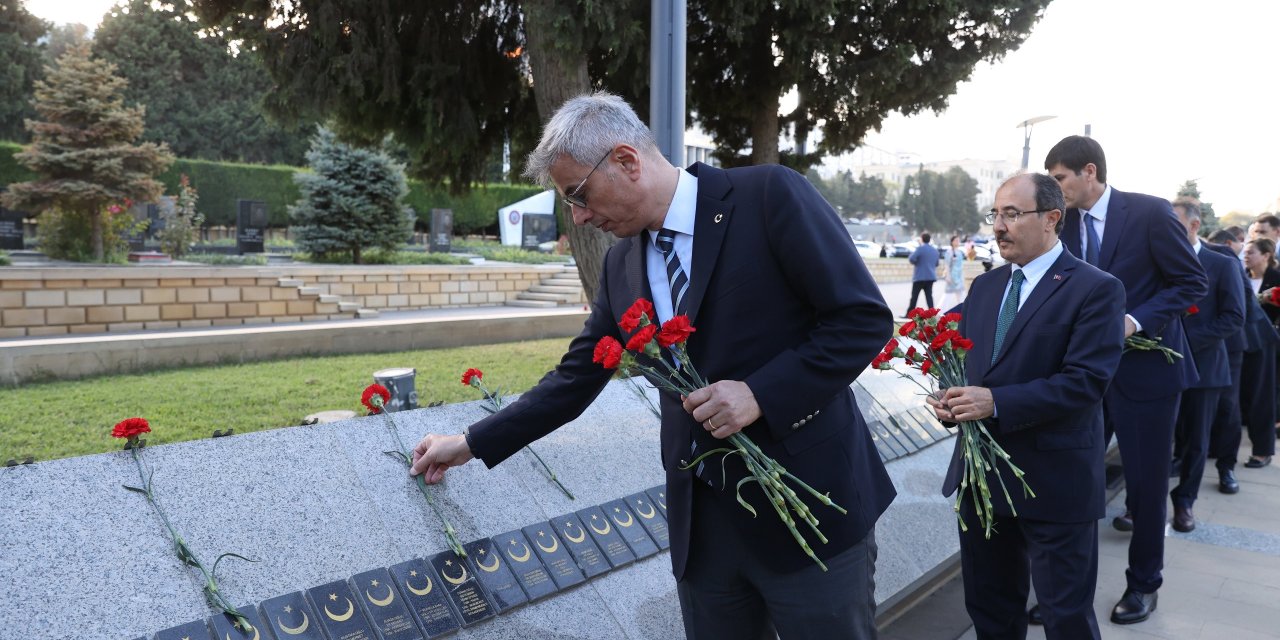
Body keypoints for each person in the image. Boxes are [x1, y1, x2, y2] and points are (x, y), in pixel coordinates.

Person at [407, 92, 897, 639]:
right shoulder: (621, 264)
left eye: (579, 195)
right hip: (705, 537)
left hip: (810, 512)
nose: (581, 217)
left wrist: (761, 393)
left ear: (626, 161)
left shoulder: (768, 196)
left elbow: (862, 320)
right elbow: (577, 377)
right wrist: (471, 442)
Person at [928, 173, 1125, 640]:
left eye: (1012, 214)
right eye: (995, 214)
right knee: (990, 610)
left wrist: (994, 402)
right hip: (981, 480)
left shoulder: (1096, 289)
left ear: (1052, 219)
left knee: (1066, 618)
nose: (998, 226)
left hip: (1055, 483)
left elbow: (1085, 383)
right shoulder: (986, 287)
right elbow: (975, 367)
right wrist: (950, 396)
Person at [1045, 135, 1207, 625]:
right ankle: (1065, 592)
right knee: (1074, 486)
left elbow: (1191, 282)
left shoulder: (1150, 213)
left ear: (1088, 171)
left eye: (1059, 180)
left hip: (1148, 376)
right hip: (1082, 381)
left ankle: (1144, 586)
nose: (1054, 191)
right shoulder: (1060, 224)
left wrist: (1134, 321)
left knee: (1145, 486)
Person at [1168, 197, 1244, 531]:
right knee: (1154, 438)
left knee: (1197, 442)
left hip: (1205, 369)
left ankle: (1185, 501)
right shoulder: (1158, 262)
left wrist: (1184, 342)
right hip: (1161, 368)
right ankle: (1136, 504)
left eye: (1175, 224)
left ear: (1194, 225)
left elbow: (1234, 317)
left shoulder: (1222, 265)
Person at [1241, 237, 1280, 468]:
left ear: (1266, 255)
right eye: (1244, 253)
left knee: (1261, 396)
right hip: (1241, 341)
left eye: (1251, 253)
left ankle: (1262, 451)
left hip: (1266, 342)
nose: (1246, 257)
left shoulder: (1276, 278)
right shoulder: (1243, 275)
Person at [907, 232, 940, 314]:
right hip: (930, 277)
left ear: (921, 239)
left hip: (919, 277)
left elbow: (911, 258)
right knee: (929, 297)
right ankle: (932, 314)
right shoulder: (935, 250)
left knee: (914, 297)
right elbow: (936, 263)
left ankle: (909, 314)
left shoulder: (920, 249)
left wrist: (917, 263)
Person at [939, 234, 966, 309]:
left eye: (958, 240)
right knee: (947, 296)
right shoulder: (949, 252)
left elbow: (961, 265)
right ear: (952, 242)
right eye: (956, 240)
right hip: (952, 277)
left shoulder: (960, 252)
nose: (958, 242)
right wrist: (948, 276)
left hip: (959, 277)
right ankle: (940, 313)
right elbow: (947, 265)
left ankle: (963, 312)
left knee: (961, 296)